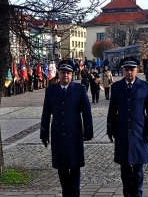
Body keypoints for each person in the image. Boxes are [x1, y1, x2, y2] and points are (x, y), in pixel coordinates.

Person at [40, 60, 93, 197]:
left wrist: (88, 131)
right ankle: (66, 193)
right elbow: (46, 113)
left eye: (68, 73)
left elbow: (86, 112)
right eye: (63, 73)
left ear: (72, 74)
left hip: (74, 134)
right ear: (58, 73)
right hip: (58, 134)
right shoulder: (51, 91)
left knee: (75, 168)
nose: (66, 75)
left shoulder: (79, 90)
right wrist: (44, 133)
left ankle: (74, 193)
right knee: (61, 168)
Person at [107, 57, 148, 197]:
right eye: (127, 70)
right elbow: (112, 110)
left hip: (139, 132)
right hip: (122, 131)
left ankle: (138, 193)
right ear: (123, 70)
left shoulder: (145, 86)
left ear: (137, 70)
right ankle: (127, 193)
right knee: (125, 168)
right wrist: (110, 128)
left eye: (132, 70)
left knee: (138, 168)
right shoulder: (116, 87)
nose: (129, 72)